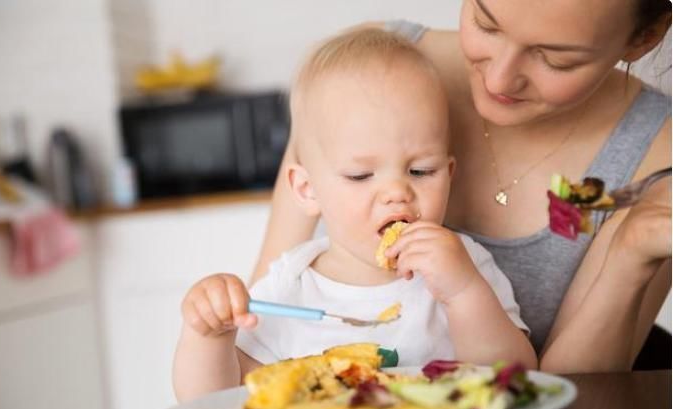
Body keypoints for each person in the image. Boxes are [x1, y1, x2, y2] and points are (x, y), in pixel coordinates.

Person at [252, 0, 672, 374]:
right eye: (487, 23)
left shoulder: (659, 150)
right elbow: (256, 328)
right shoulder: (362, 70)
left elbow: (562, 392)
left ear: (644, 38)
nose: (500, 80)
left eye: (556, 59)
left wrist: (630, 256)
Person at [172, 28, 536, 401]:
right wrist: (209, 337)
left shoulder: (464, 265)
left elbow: (520, 380)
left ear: (449, 174)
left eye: (421, 171)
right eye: (361, 175)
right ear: (307, 190)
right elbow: (213, 400)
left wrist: (463, 293)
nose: (397, 192)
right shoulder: (291, 286)